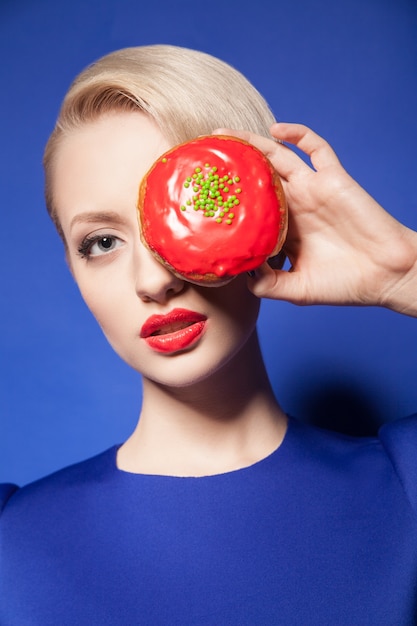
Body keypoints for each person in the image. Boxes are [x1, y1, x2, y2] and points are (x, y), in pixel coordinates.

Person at [1, 44, 416, 625]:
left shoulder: (406, 483)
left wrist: (404, 271)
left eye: (194, 209)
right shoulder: (10, 540)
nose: (153, 281)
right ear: (72, 267)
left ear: (274, 213)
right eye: (101, 242)